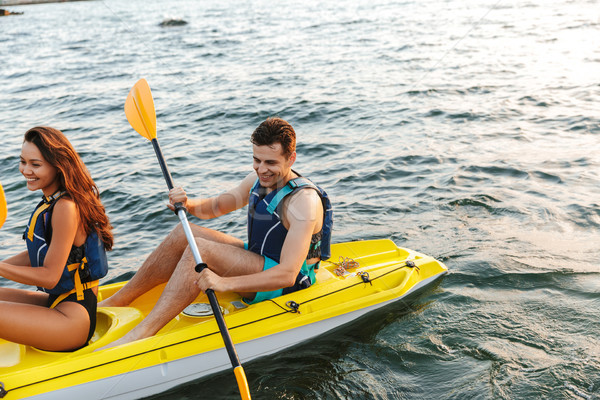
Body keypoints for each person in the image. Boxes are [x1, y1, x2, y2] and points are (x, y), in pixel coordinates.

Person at [100, 117, 332, 347]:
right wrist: (188, 204)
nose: (261, 169)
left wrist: (224, 283)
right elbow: (217, 207)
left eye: (270, 162)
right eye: (256, 160)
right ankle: (121, 299)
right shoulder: (258, 180)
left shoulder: (304, 203)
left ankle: (142, 332)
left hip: (286, 284)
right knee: (185, 232)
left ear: (291, 158)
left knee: (200, 250)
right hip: (260, 259)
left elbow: (287, 275)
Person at [0, 127, 112, 351]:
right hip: (58, 304)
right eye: (23, 161)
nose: (25, 170)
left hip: (72, 322)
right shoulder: (52, 201)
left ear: (57, 165)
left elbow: (50, 277)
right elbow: (40, 254)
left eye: (35, 164)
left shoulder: (65, 207)